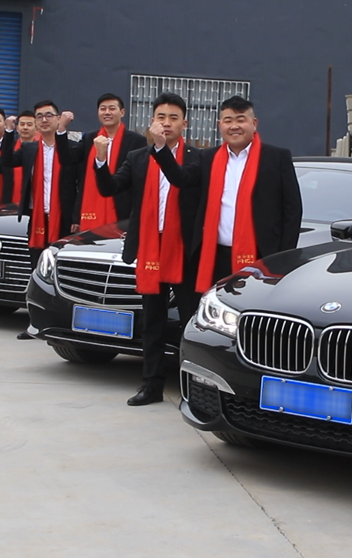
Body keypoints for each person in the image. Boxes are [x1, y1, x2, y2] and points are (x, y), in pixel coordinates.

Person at [89, 92, 201, 406]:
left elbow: (180, 179)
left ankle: (194, 390)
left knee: (190, 321)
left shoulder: (197, 157)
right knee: (152, 321)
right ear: (151, 121)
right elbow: (110, 188)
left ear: (185, 124)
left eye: (173, 118)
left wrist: (161, 150)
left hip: (184, 250)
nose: (166, 123)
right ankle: (151, 385)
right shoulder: (138, 157)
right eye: (161, 117)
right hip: (151, 247)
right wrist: (101, 159)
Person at [192, 95, 302, 293]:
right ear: (219, 125)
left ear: (254, 123)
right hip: (216, 254)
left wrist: (283, 257)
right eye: (228, 121)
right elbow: (182, 181)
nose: (234, 126)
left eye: (241, 119)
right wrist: (161, 149)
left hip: (263, 255)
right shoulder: (208, 158)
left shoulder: (277, 158)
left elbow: (292, 210)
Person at [69, 93, 147, 233]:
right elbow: (72, 164)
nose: (107, 112)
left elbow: (139, 179)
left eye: (112, 108)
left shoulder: (136, 141)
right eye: (103, 109)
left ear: (122, 112)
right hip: (91, 208)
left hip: (123, 210)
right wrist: (76, 216)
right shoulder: (90, 139)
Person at [14, 100, 77, 266]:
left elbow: (80, 185)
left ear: (58, 118)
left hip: (65, 219)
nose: (44, 120)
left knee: (62, 267)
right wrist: (8, 132)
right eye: (39, 116)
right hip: (37, 216)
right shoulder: (29, 149)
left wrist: (77, 217)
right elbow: (6, 162)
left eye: (49, 115)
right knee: (36, 266)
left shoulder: (73, 148)